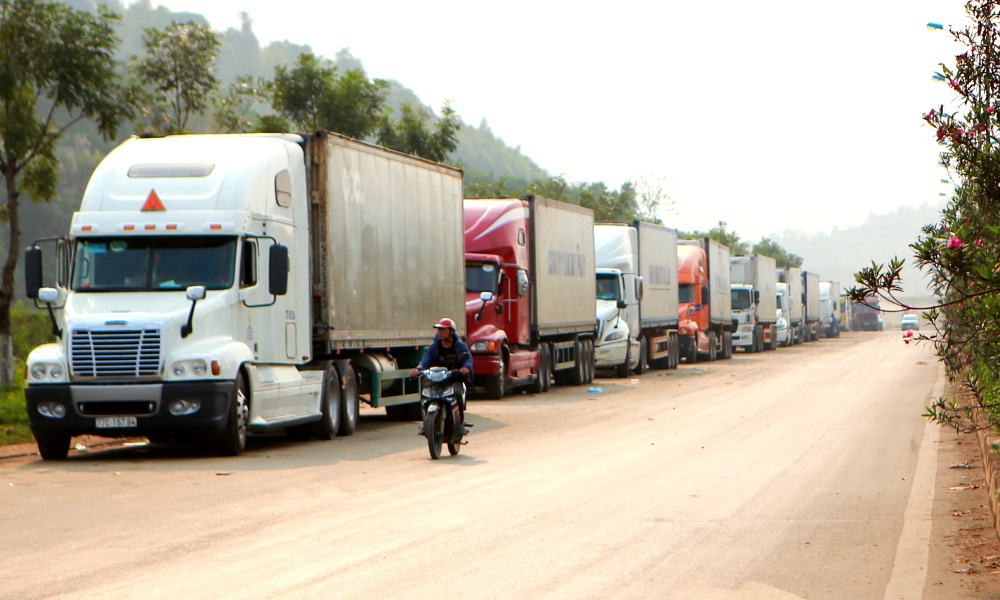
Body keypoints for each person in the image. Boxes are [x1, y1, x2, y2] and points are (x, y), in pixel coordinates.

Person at [411, 317, 473, 434]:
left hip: (454, 378)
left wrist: (465, 368)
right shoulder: (435, 346)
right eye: (439, 330)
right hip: (437, 378)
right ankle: (426, 424)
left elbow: (468, 359)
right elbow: (426, 360)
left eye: (443, 330)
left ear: (451, 332)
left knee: (458, 393)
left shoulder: (460, 346)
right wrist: (419, 369)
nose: (440, 332)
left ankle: (460, 425)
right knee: (425, 395)